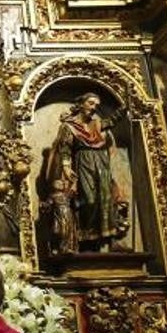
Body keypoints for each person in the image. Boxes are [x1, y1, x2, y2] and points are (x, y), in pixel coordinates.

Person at [42, 92, 124, 251]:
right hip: (84, 163)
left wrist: (125, 108)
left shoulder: (97, 124)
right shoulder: (69, 126)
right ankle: (86, 238)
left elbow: (113, 120)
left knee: (106, 199)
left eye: (97, 106)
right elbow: (64, 148)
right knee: (90, 200)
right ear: (81, 104)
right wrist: (66, 167)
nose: (94, 108)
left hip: (101, 163)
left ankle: (110, 239)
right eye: (91, 103)